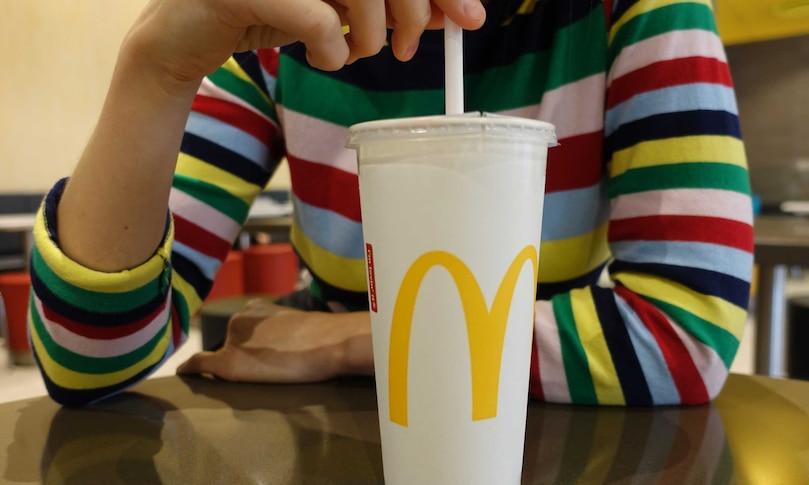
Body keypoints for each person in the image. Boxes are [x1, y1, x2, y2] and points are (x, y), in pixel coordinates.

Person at [29, 0, 753, 406]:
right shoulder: (281, 33)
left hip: (556, 431)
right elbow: (87, 360)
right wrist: (156, 67)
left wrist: (355, 341)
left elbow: (685, 335)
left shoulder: (642, 13)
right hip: (332, 430)